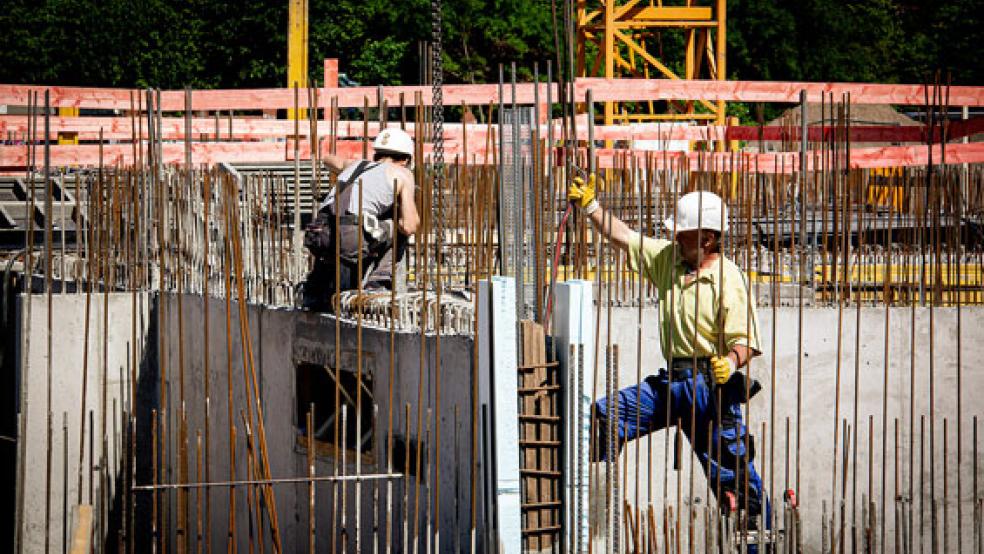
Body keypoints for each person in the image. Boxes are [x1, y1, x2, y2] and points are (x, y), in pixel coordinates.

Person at [568, 174, 768, 525]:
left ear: (707, 238)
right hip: (671, 383)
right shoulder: (669, 261)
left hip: (709, 391)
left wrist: (731, 362)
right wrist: (591, 207)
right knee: (600, 421)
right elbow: (625, 237)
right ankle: (579, 510)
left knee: (737, 484)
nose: (675, 236)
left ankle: (757, 542)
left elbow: (746, 341)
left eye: (683, 233)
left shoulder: (729, 279)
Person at [302, 128, 420, 311]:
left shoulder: (358, 165)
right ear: (405, 159)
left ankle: (315, 290)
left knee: (346, 238)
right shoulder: (402, 173)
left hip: (318, 232)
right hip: (349, 235)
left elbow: (327, 159)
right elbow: (409, 226)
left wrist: (343, 168)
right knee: (396, 228)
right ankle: (378, 283)